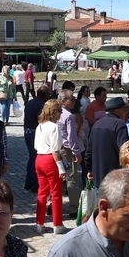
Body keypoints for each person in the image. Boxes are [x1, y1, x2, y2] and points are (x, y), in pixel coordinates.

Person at [35, 99, 68, 235]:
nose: (61, 113)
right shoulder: (54, 127)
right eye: (60, 110)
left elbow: (36, 146)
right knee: (56, 193)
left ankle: (39, 223)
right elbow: (55, 150)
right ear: (54, 111)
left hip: (39, 158)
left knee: (42, 192)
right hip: (50, 160)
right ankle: (57, 224)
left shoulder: (40, 126)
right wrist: (61, 168)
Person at [84, 97, 129, 187]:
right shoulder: (119, 124)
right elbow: (125, 151)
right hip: (115, 179)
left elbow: (88, 152)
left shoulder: (97, 124)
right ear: (117, 111)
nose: (126, 112)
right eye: (124, 109)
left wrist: (90, 170)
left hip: (99, 178)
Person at [58, 90, 83, 218]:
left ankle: (53, 206)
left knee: (56, 178)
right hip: (67, 150)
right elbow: (72, 137)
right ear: (64, 101)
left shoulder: (54, 114)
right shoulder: (68, 116)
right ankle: (74, 208)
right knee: (72, 178)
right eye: (71, 99)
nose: (74, 102)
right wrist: (77, 153)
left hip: (55, 149)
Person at [24, 86, 50, 193]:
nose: (49, 96)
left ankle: (28, 182)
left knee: (31, 157)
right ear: (44, 95)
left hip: (27, 132)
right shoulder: (41, 105)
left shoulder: (30, 102)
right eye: (48, 94)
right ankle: (35, 184)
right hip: (35, 134)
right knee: (35, 159)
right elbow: (41, 120)